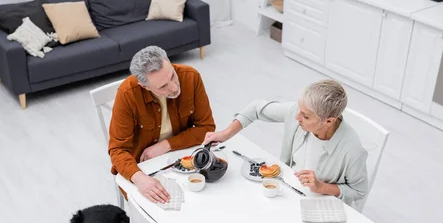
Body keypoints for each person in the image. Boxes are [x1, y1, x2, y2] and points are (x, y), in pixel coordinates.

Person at [204, 79, 368, 206]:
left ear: (329, 121)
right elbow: (255, 109)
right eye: (299, 110)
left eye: (306, 116)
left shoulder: (352, 151)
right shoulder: (298, 113)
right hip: (285, 190)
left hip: (316, 204)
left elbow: (358, 191)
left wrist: (321, 187)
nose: (297, 118)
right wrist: (226, 134)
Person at [108, 45, 216, 204]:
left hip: (183, 157)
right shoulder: (127, 95)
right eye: (163, 86)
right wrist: (140, 179)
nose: (174, 87)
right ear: (144, 86)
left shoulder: (190, 77)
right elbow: (117, 150)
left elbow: (207, 128)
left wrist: (166, 145)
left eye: (172, 75)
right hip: (144, 168)